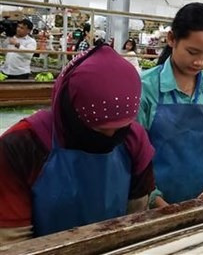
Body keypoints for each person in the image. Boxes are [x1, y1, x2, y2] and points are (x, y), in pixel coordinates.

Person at [0, 45, 155, 244]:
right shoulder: (22, 146)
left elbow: (136, 217)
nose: (111, 137)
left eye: (121, 128)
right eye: (98, 129)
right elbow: (11, 241)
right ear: (69, 108)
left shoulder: (134, 139)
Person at [138, 3, 203, 207]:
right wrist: (155, 199)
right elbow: (134, 156)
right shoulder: (145, 88)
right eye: (192, 52)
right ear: (172, 39)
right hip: (152, 205)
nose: (200, 62)